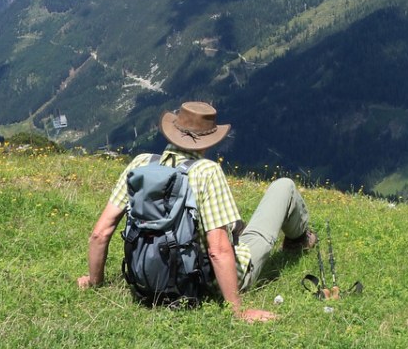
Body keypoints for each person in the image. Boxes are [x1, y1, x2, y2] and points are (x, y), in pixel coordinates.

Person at [76, 101, 315, 322]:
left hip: (146, 279)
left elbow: (100, 232)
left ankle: (295, 239)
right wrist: (237, 310)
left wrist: (94, 281)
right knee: (284, 186)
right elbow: (218, 249)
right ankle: (298, 241)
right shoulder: (206, 171)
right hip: (206, 282)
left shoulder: (140, 164)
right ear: (209, 141)